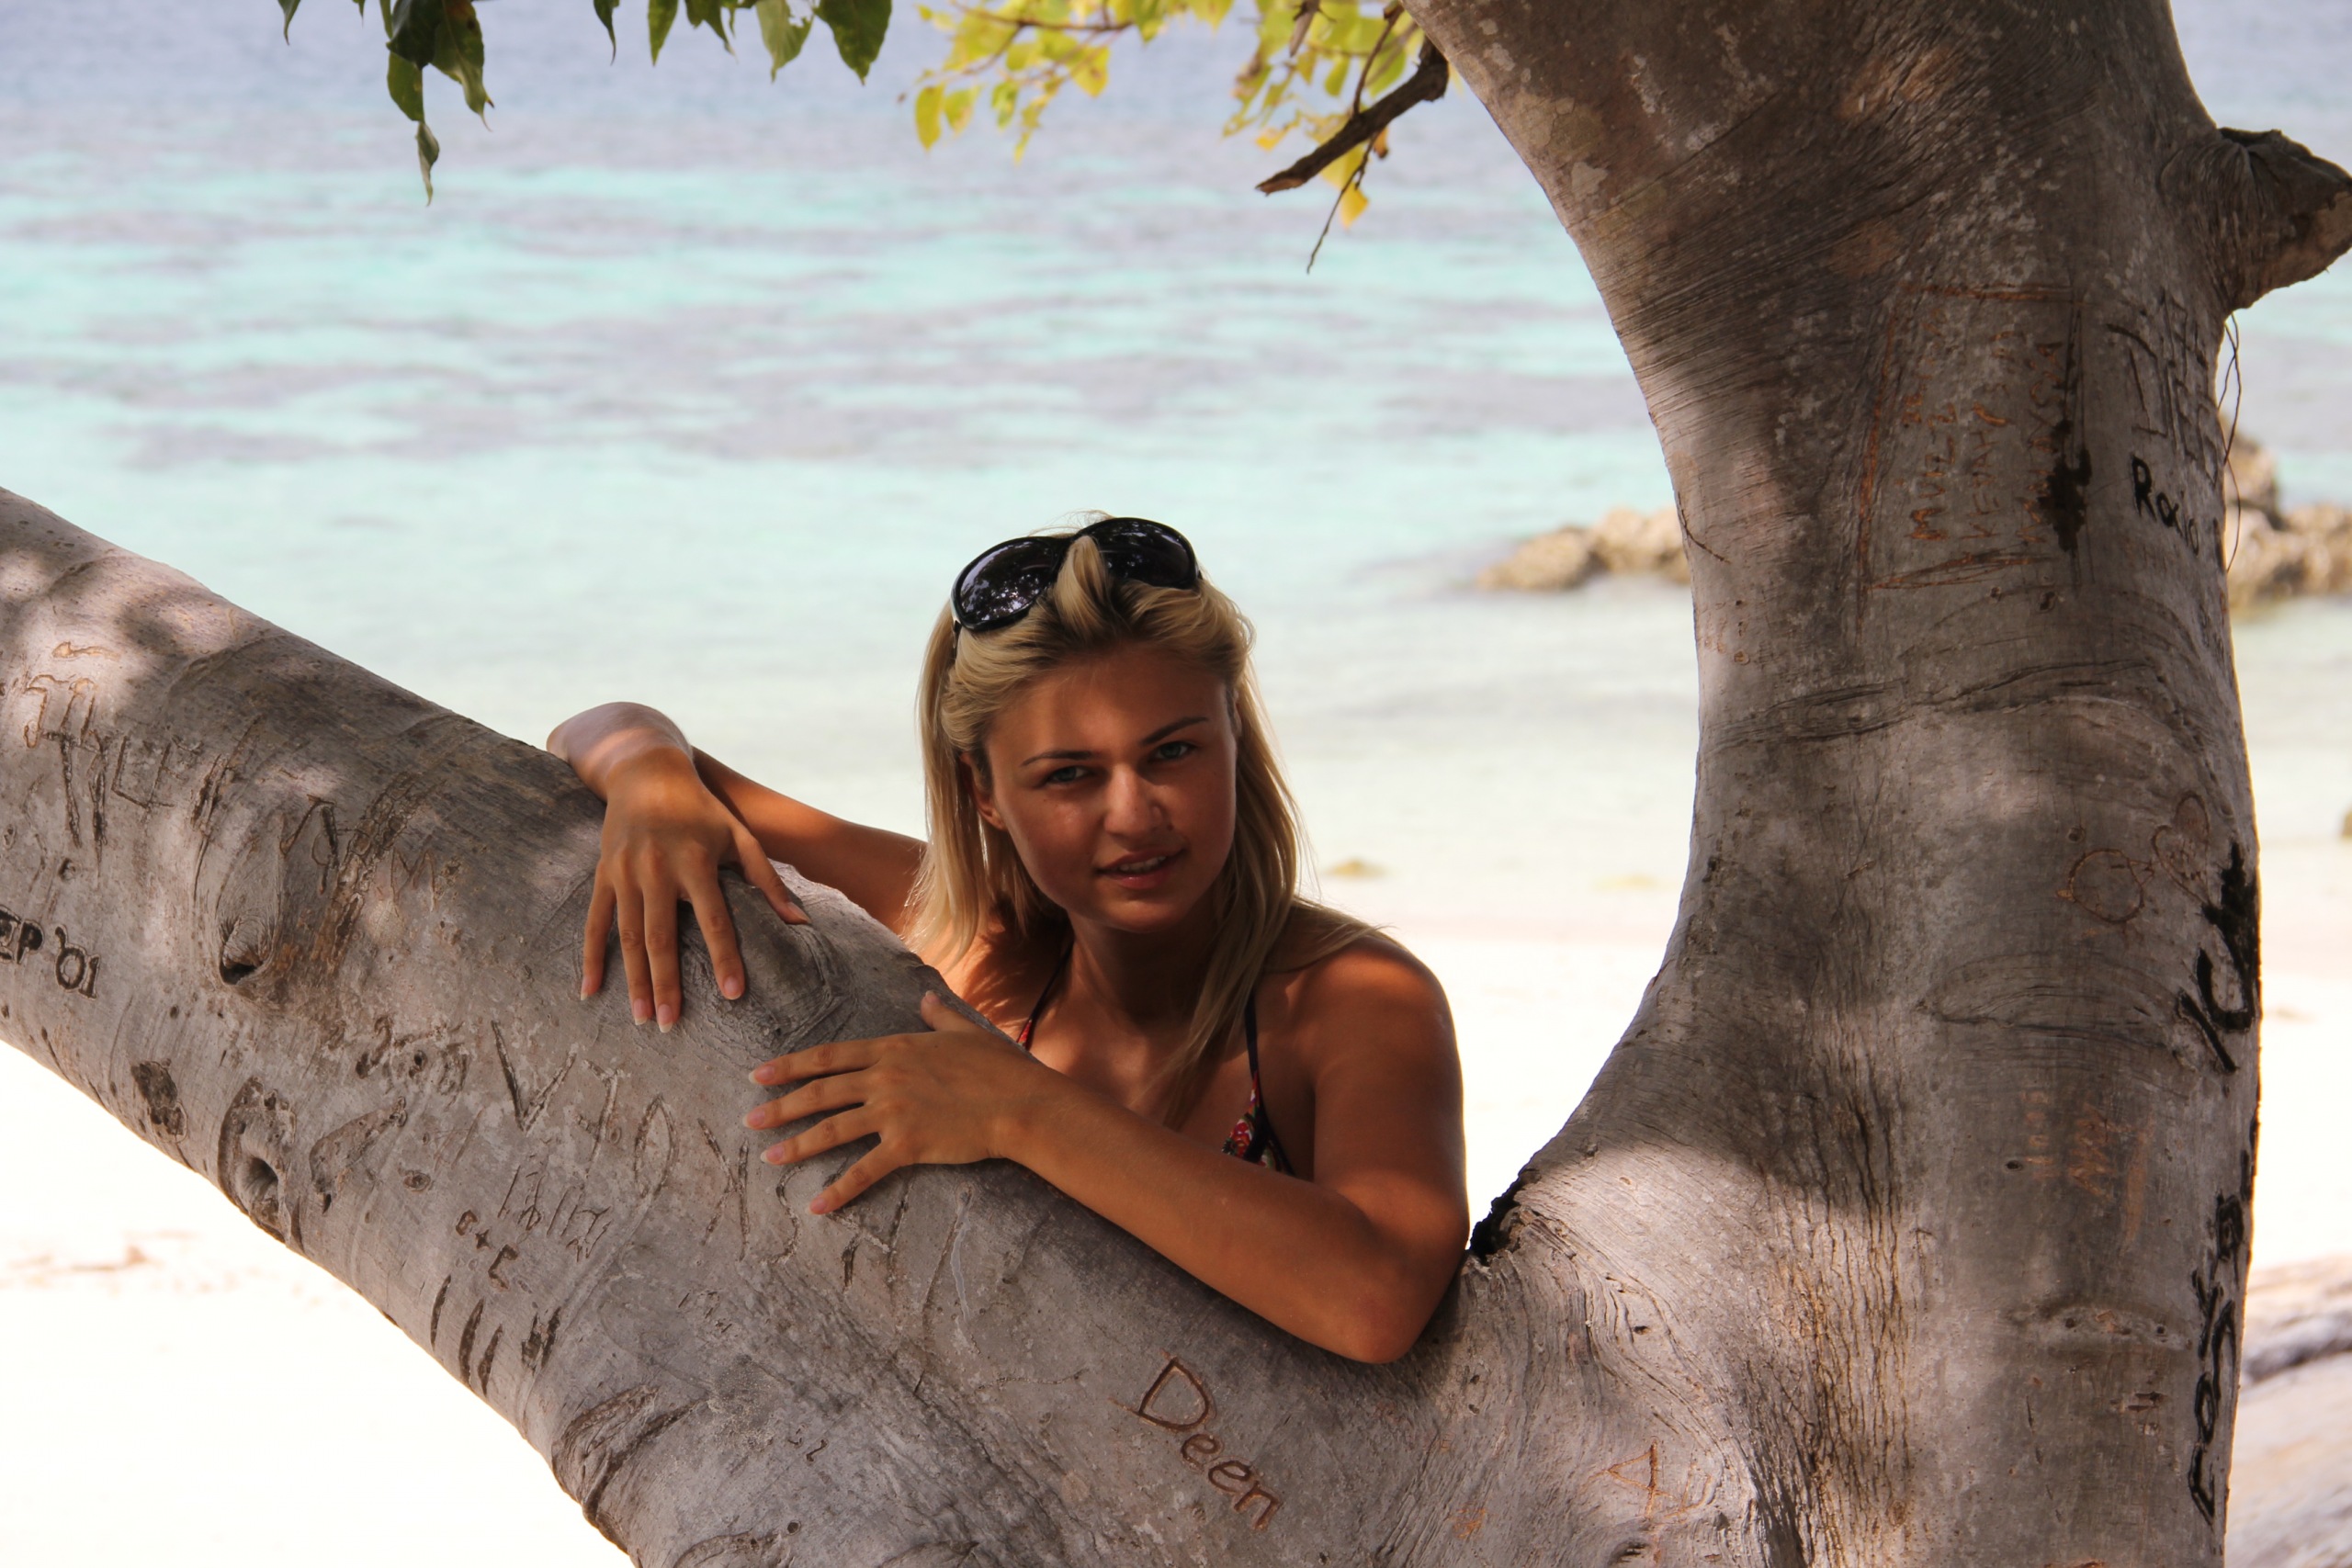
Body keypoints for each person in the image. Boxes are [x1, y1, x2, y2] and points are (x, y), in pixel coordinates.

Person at [547, 517, 1467, 1362]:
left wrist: (1020, 1109)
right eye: (1070, 775)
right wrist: (653, 781)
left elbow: (1377, 1298)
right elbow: (599, 727)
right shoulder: (974, 939)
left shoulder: (1348, 997)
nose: (1133, 814)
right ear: (983, 791)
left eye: (1173, 752)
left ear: (1234, 733)